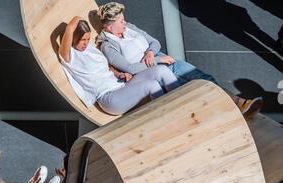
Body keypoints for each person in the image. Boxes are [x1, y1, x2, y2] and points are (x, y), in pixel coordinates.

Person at [97, 2, 263, 120]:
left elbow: (154, 42)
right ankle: (226, 111)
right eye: (121, 21)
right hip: (150, 72)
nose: (125, 22)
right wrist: (156, 60)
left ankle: (240, 102)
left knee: (202, 77)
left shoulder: (130, 28)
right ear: (110, 28)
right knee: (191, 88)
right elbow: (131, 68)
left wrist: (150, 52)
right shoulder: (108, 46)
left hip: (164, 59)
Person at [59, 16, 180, 115]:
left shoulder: (90, 48)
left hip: (121, 85)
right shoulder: (70, 56)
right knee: (152, 85)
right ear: (74, 37)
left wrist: (120, 74)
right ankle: (169, 115)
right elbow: (70, 29)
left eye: (88, 39)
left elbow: (108, 68)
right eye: (82, 40)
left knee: (161, 70)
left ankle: (183, 100)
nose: (86, 43)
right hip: (109, 98)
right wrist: (74, 21)